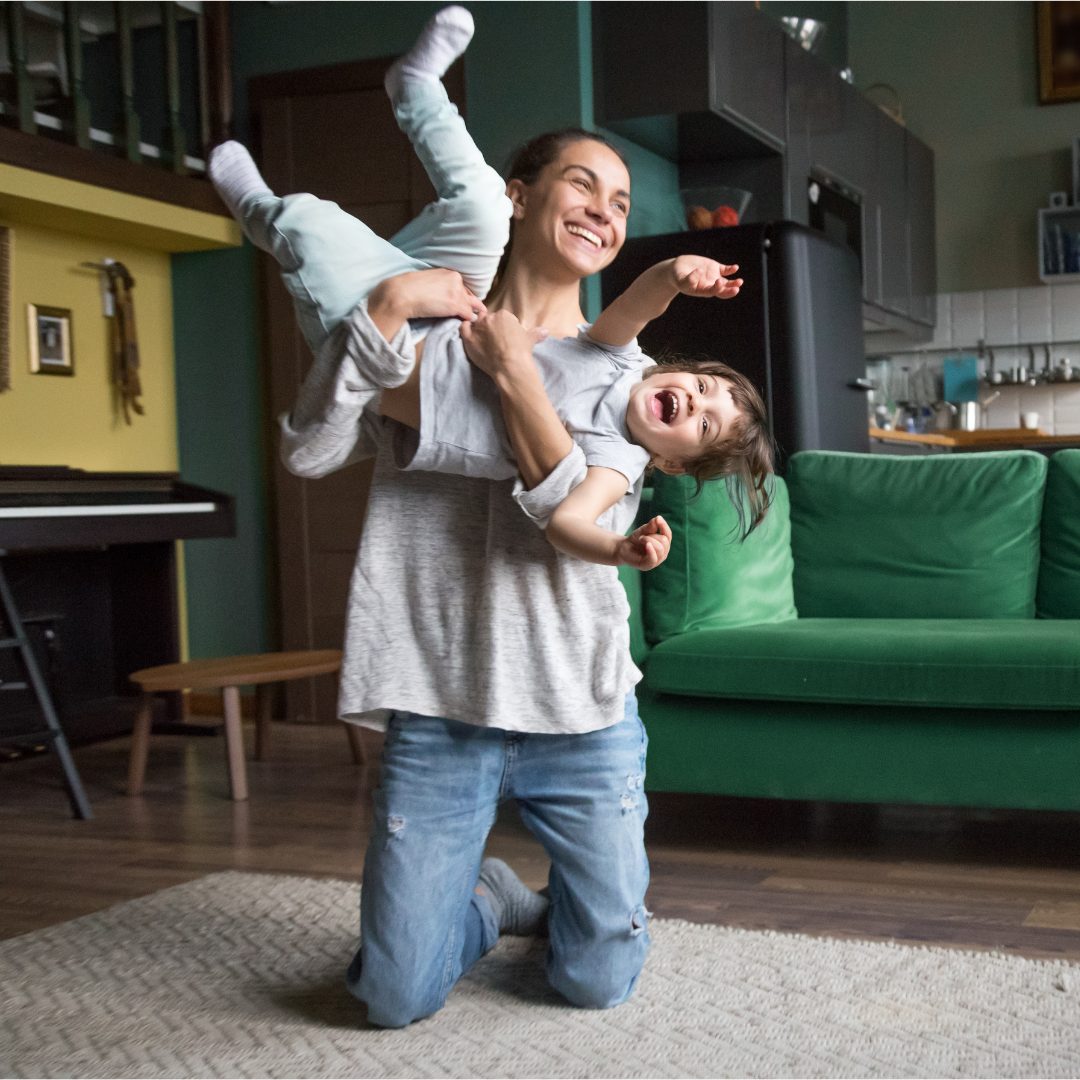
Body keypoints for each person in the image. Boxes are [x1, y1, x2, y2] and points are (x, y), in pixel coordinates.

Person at [263, 8, 773, 1030]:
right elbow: (309, 451)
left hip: (581, 709)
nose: (604, 210)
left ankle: (564, 911)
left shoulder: (630, 389)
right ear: (517, 195)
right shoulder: (434, 337)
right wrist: (384, 314)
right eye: (584, 183)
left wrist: (515, 377)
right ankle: (495, 899)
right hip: (441, 699)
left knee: (595, 979)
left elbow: (566, 493)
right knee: (391, 995)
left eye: (621, 201)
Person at [209, 7, 772, 569]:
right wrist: (674, 274)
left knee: (306, 224)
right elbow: (634, 307)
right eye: (702, 386)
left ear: (672, 465)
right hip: (453, 303)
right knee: (483, 204)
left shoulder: (617, 460)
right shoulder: (623, 364)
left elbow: (568, 524)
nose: (693, 401)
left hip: (393, 348)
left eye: (704, 424)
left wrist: (618, 550)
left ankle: (257, 207)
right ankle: (415, 88)